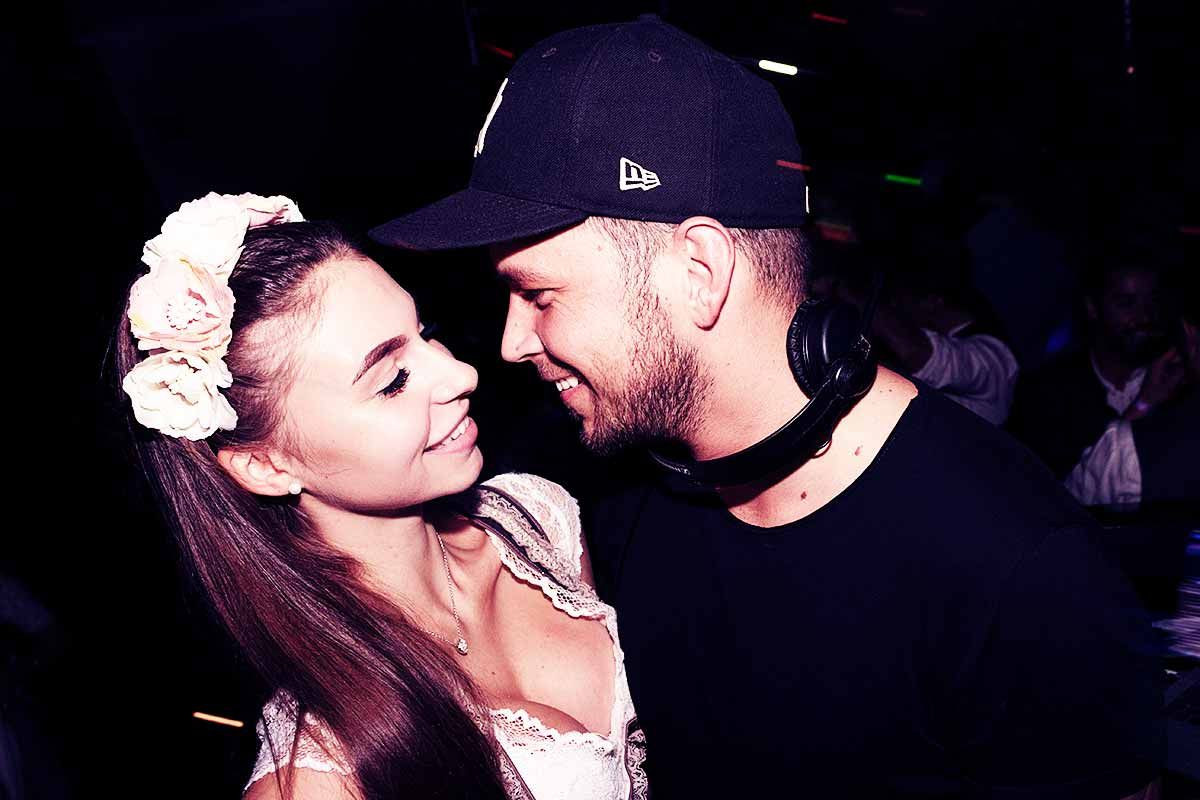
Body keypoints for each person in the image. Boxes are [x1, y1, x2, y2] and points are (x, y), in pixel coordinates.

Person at [370, 15, 1162, 799]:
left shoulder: (1018, 567)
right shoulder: (607, 497)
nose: (511, 343)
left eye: (539, 294)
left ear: (699, 272)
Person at [111, 192, 648, 800]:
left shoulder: (537, 520)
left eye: (425, 334)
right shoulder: (317, 777)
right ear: (266, 465)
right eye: (392, 381)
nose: (462, 374)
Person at [1009, 257, 1182, 488]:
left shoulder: (1180, 384)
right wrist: (1143, 405)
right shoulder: (1047, 390)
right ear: (1092, 308)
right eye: (1127, 303)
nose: (1145, 317)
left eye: (1153, 303)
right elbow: (1042, 489)